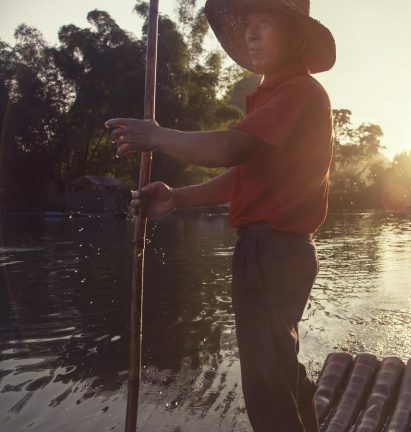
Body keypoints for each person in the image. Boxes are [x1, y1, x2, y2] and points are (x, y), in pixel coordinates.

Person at [105, 1, 335, 430]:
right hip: (272, 252)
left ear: (295, 36)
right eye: (248, 25)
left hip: (272, 252)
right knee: (282, 371)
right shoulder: (274, 97)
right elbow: (242, 178)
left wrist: (156, 136)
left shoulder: (297, 92)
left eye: (263, 24)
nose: (250, 34)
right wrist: (177, 197)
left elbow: (230, 148)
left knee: (266, 388)